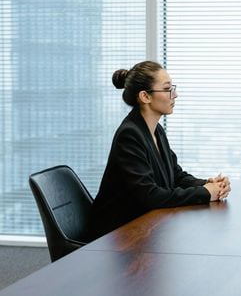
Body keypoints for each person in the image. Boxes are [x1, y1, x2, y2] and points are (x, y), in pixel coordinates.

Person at [88, 61, 230, 240]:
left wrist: (208, 184)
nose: (175, 94)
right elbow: (150, 196)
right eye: (168, 89)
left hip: (144, 227)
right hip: (115, 236)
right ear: (145, 96)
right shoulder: (130, 135)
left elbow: (176, 176)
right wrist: (205, 193)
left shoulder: (156, 130)